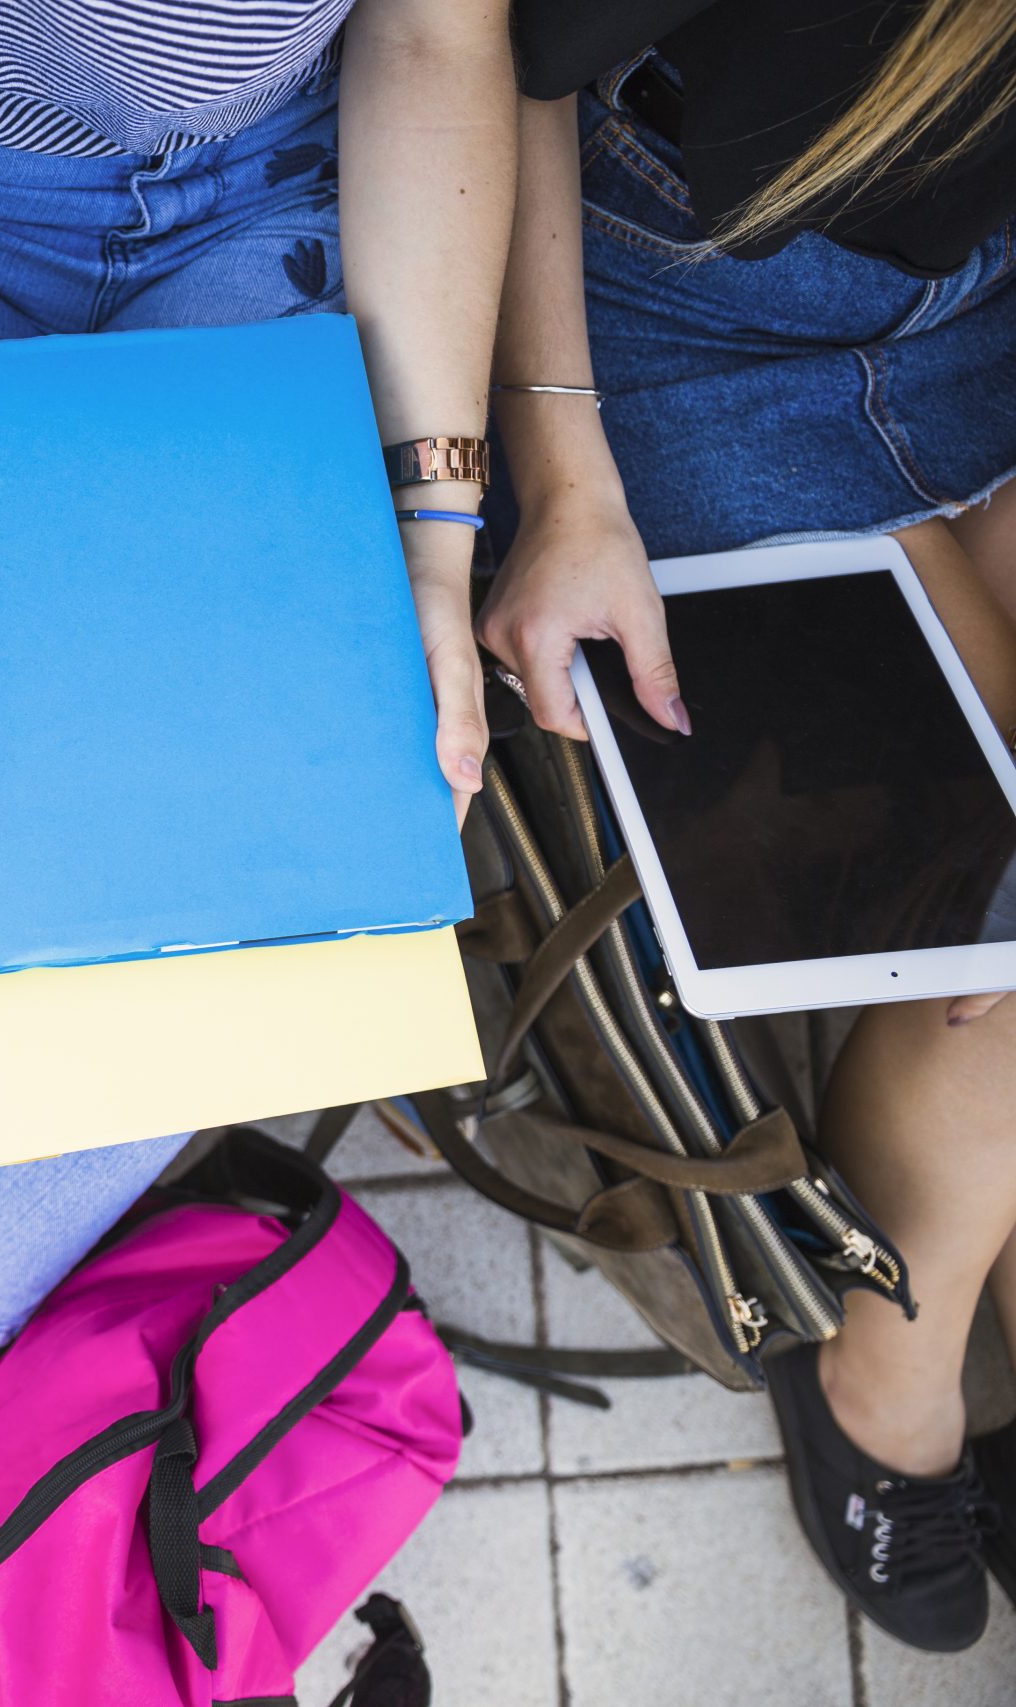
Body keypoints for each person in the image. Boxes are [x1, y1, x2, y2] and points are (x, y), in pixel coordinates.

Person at [0, 0, 518, 1667]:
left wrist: (436, 530)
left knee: (262, 894)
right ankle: (5, 1242)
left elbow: (434, 40)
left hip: (258, 210)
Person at [483, 0, 1016, 1655]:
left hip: (989, 293)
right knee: (1005, 917)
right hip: (678, 299)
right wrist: (560, 474)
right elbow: (479, 55)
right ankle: (888, 1375)